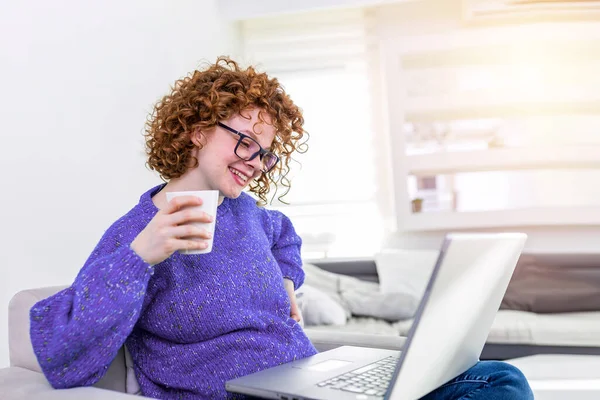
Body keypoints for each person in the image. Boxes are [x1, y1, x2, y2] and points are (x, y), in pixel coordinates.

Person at [29, 57, 533, 400]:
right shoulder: (137, 232)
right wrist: (140, 257)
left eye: (267, 153)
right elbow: (65, 356)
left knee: (498, 379)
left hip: (305, 380)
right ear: (199, 129)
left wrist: (288, 279)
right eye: (246, 142)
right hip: (235, 394)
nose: (257, 163)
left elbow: (283, 235)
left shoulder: (244, 212)